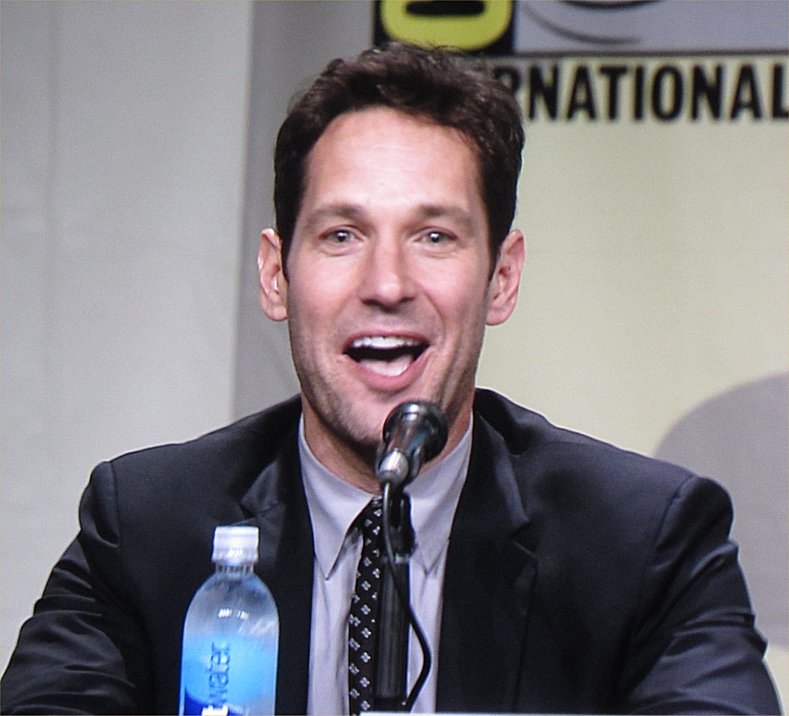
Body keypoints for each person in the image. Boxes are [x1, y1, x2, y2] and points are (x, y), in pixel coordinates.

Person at [1, 42, 780, 715]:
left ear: (501, 278)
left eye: (433, 236)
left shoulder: (643, 544)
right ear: (275, 275)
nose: (386, 284)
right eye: (341, 235)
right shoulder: (145, 529)